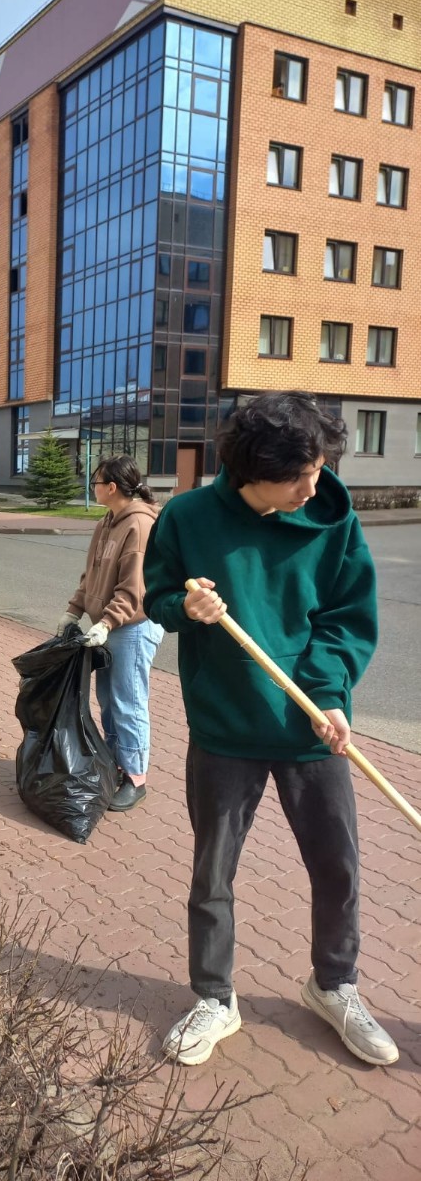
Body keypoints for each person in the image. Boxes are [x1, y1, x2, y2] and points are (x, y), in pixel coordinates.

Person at [143, 391, 397, 1068]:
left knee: (337, 864)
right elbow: (157, 596)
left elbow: (346, 616)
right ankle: (214, 997)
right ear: (253, 469)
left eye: (319, 469)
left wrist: (329, 696)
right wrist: (186, 606)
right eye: (301, 476)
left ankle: (333, 985)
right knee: (213, 870)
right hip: (225, 725)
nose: (316, 486)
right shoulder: (189, 516)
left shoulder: (331, 518)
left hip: (311, 727)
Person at [56, 456, 164, 812]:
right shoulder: (107, 521)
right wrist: (74, 609)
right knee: (107, 701)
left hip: (132, 626)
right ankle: (117, 763)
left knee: (128, 703)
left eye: (96, 482)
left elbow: (135, 588)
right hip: (111, 626)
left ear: (112, 487)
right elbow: (92, 573)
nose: (93, 487)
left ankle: (135, 777)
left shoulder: (139, 526)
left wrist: (106, 622)